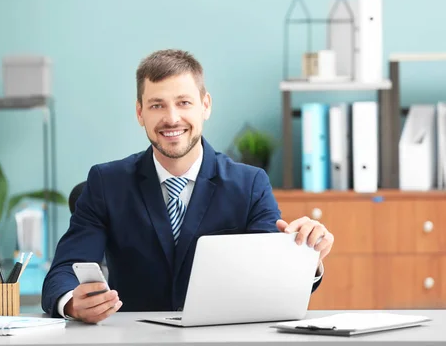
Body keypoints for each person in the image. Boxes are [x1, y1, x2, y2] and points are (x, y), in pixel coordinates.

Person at [41, 49, 335, 323]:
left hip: (221, 338)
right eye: (157, 105)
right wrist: (70, 302)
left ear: (205, 105)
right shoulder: (106, 183)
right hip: (135, 338)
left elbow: (272, 281)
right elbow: (63, 272)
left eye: (184, 102)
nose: (171, 118)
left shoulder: (249, 185)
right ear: (140, 112)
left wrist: (307, 256)